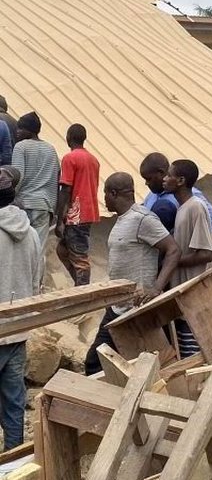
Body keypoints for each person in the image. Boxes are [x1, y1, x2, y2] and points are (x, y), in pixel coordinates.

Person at [84, 172, 180, 375]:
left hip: (136, 308)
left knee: (98, 364)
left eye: (105, 194)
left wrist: (156, 288)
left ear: (113, 193)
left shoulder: (143, 218)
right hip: (118, 306)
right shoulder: (122, 220)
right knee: (97, 363)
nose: (104, 199)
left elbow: (173, 250)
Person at [0, 167, 42, 448]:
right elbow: (37, 279)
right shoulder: (32, 234)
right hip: (19, 329)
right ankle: (14, 470)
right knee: (14, 402)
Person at [163, 160, 212, 357]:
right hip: (185, 297)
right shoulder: (183, 208)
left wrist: (172, 262)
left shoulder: (196, 207)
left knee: (193, 357)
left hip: (195, 296)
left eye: (169, 175)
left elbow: (205, 254)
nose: (164, 179)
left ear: (181, 180)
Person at [140, 152, 212, 262]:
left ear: (161, 173)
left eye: (149, 179)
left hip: (182, 264)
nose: (146, 183)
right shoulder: (151, 197)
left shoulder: (192, 199)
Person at [55, 124, 100, 286]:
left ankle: (83, 291)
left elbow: (66, 189)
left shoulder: (70, 158)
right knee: (63, 249)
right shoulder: (93, 159)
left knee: (80, 257)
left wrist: (60, 220)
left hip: (76, 213)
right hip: (88, 212)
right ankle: (80, 286)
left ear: (68, 138)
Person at [12, 112, 60, 258]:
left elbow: (17, 176)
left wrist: (11, 199)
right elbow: (56, 178)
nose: (17, 132)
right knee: (38, 250)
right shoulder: (50, 149)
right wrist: (53, 207)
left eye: (20, 128)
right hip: (44, 206)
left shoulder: (21, 147)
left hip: (24, 205)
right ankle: (37, 281)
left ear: (30, 130)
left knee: (21, 250)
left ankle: (23, 281)